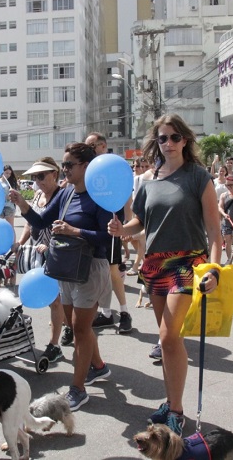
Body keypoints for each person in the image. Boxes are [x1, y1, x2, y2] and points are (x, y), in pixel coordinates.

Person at [107, 114, 222, 435]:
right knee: (166, 340)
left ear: (185, 140)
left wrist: (214, 268)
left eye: (174, 137)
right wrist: (120, 229)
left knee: (170, 337)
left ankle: (177, 410)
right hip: (155, 265)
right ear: (155, 143)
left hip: (188, 263)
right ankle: (171, 403)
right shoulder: (148, 179)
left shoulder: (198, 177)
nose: (168, 143)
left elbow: (214, 230)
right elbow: (138, 223)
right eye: (162, 138)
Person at [10, 142, 113, 411]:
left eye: (69, 165)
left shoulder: (99, 196)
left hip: (90, 267)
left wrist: (74, 231)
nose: (64, 169)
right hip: (66, 266)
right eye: (63, 164)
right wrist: (22, 203)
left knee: (79, 328)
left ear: (86, 166)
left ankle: (77, 390)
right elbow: (42, 221)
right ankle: (98, 367)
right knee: (75, 324)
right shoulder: (66, 194)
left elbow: (107, 237)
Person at [13, 157, 65, 362]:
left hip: (58, 254)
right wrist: (20, 242)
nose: (38, 181)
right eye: (35, 177)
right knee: (58, 301)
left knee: (56, 300)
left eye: (41, 176)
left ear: (55, 174)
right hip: (38, 254)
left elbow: (65, 225)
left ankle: (54, 344)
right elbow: (30, 222)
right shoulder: (36, 195)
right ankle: (67, 327)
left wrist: (51, 245)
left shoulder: (62, 196)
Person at [85, 132, 133, 334]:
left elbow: (127, 196)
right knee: (98, 272)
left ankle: (124, 313)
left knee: (113, 272)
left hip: (112, 226)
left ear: (103, 146)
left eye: (92, 146)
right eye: (87, 146)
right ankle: (105, 313)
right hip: (93, 227)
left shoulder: (114, 165)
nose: (89, 150)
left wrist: (128, 224)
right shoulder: (88, 169)